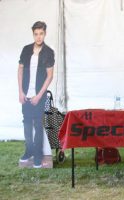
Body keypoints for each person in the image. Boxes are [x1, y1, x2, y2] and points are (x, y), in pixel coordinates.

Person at [18, 21, 54, 168]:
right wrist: (20, 91)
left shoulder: (49, 52)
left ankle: (38, 156)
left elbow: (50, 76)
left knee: (38, 126)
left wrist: (39, 95)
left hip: (39, 96)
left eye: (41, 34)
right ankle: (29, 151)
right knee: (27, 125)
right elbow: (20, 70)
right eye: (36, 34)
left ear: (45, 34)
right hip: (25, 95)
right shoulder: (26, 50)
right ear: (33, 34)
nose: (38, 37)